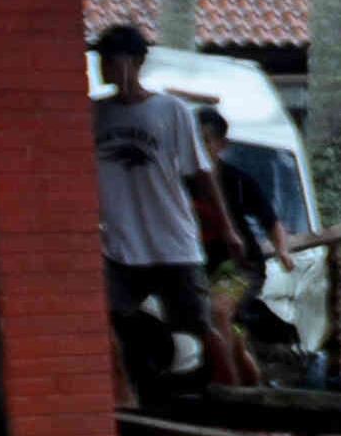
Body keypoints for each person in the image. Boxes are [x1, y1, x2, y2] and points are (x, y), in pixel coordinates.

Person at [89, 26, 245, 403]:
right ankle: (125, 395)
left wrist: (227, 229)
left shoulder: (170, 111)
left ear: (137, 62)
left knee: (201, 325)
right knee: (103, 317)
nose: (107, 68)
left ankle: (236, 400)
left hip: (172, 242)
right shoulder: (93, 113)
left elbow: (201, 173)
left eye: (115, 60)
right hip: (119, 244)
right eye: (103, 60)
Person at [185, 97, 287, 391]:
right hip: (200, 268)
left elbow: (271, 221)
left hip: (242, 268)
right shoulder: (180, 183)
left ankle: (229, 391)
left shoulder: (238, 181)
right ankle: (250, 382)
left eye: (206, 141)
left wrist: (282, 250)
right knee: (218, 327)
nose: (199, 149)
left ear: (222, 144)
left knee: (218, 312)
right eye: (194, 141)